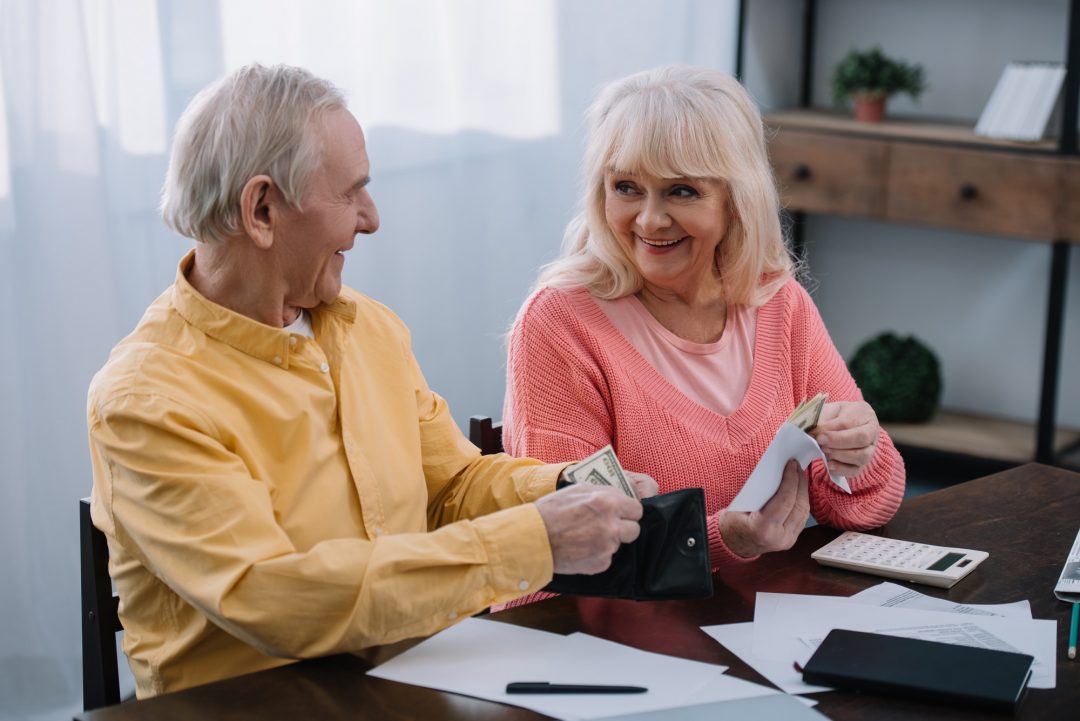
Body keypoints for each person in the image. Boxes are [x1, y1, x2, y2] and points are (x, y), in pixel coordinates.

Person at [86, 64, 656, 699]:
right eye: (351, 192)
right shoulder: (146, 400)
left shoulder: (368, 330)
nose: (372, 217)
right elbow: (271, 595)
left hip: (421, 689)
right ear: (263, 209)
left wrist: (567, 487)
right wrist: (531, 541)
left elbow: (452, 487)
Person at [500, 65, 905, 607]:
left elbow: (864, 508)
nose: (649, 220)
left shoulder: (778, 303)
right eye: (626, 187)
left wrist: (859, 452)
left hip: (747, 621)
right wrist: (723, 540)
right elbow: (572, 556)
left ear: (735, 199)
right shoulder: (560, 323)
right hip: (593, 641)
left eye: (681, 192)